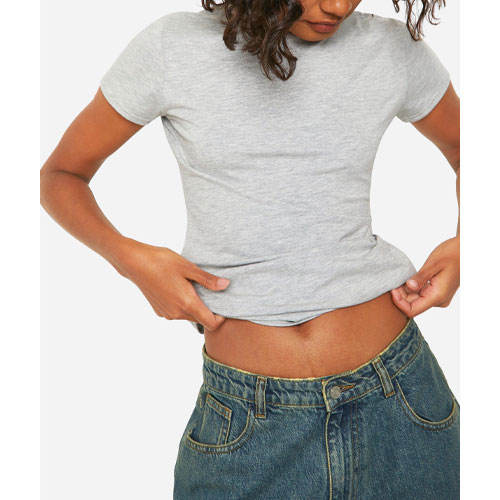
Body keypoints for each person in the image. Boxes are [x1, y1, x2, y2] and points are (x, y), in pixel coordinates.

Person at [40, 0, 460, 498]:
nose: (338, 6)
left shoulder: (390, 49)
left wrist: (468, 243)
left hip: (401, 401)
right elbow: (61, 176)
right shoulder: (172, 47)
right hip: (245, 422)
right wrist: (131, 260)